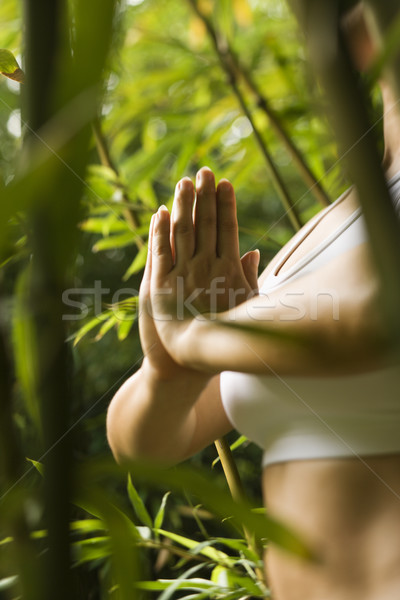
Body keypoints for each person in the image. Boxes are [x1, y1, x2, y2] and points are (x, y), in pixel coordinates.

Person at [107, 3, 400, 599]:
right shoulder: (331, 224)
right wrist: (167, 367)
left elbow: (373, 308)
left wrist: (196, 335)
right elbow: (148, 447)